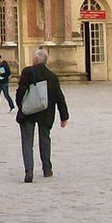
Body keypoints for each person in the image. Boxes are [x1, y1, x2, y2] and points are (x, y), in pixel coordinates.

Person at [15, 47, 69, 183]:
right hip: (46, 112)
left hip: (29, 112)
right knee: (45, 140)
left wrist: (20, 106)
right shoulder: (52, 76)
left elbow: (20, 92)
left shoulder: (27, 72)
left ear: (37, 59)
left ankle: (29, 170)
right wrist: (64, 116)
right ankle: (47, 168)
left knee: (27, 142)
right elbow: (59, 97)